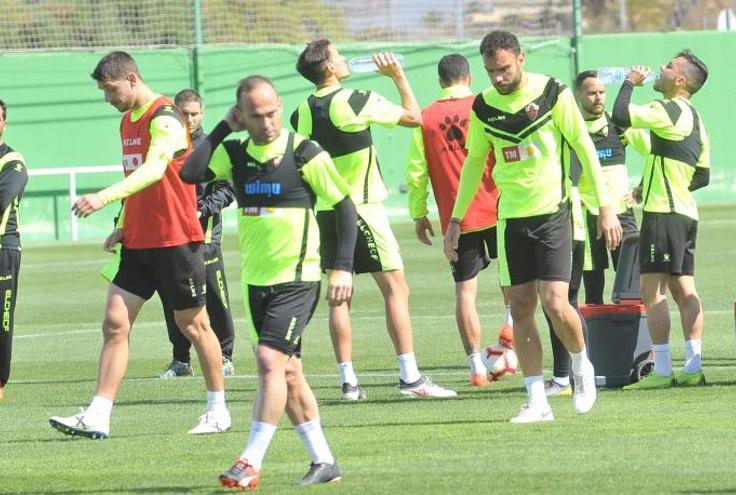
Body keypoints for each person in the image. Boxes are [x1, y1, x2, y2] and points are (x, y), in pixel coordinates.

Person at [443, 30, 622, 423]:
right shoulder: (483, 107)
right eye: (491, 71)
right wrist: (456, 219)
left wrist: (605, 206)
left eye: (504, 69)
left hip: (555, 213)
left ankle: (581, 365)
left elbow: (583, 147)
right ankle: (537, 400)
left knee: (557, 304)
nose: (498, 78)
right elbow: (475, 162)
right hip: (510, 219)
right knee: (521, 306)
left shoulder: (553, 92)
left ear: (521, 58)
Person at [49, 51, 230, 438]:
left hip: (176, 239)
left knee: (193, 325)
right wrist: (123, 224)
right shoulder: (126, 122)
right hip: (139, 241)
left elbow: (154, 169)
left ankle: (218, 410)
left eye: (111, 89)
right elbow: (137, 180)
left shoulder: (164, 115)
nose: (108, 98)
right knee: (115, 323)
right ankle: (98, 414)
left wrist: (104, 198)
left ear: (131, 78)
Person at [181, 75, 350, 488]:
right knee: (288, 373)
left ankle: (250, 459)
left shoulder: (304, 151)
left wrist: (341, 266)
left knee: (269, 363)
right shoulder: (235, 154)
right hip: (255, 283)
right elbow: (190, 171)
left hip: (298, 277)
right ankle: (324, 461)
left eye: (273, 112)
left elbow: (344, 204)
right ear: (243, 116)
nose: (269, 122)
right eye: (257, 116)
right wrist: (222, 127)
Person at [293, 39, 456, 400]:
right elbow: (415, 119)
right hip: (363, 209)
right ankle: (410, 379)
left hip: (325, 212)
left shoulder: (301, 111)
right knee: (396, 290)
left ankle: (348, 383)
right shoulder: (356, 99)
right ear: (330, 68)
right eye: (338, 56)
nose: (345, 59)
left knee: (339, 297)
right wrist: (398, 77)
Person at [406, 53, 512, 387]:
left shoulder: (424, 118)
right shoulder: (485, 105)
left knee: (465, 292)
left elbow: (416, 172)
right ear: (469, 77)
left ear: (440, 82)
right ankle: (507, 342)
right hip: (497, 207)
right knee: (515, 281)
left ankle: (476, 367)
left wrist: (418, 212)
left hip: (456, 217)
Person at [611, 50, 711, 390]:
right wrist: (651, 185)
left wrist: (629, 82)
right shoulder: (696, 117)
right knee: (684, 289)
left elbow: (621, 114)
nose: (661, 68)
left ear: (679, 80)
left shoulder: (665, 109)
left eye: (668, 66)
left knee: (650, 292)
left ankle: (664, 370)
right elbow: (703, 175)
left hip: (663, 214)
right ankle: (693, 367)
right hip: (684, 213)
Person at [544, 69, 648, 396]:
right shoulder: (569, 131)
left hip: (622, 216)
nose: (599, 98)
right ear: (578, 96)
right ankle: (591, 364)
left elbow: (657, 151)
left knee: (636, 287)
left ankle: (640, 357)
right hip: (586, 219)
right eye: (591, 93)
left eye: (602, 92)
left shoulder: (618, 127)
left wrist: (642, 188)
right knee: (590, 294)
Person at [155, 89, 237, 378]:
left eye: (194, 113)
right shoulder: (165, 144)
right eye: (184, 113)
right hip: (170, 238)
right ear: (175, 112)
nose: (189, 119)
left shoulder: (211, 146)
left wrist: (202, 209)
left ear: (202, 114)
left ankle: (225, 355)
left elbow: (227, 188)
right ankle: (180, 360)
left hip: (204, 238)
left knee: (215, 297)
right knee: (173, 299)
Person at [0, 98, 28, 401]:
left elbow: (1, 200)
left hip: (3, 251)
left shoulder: (12, 161)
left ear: (4, 123)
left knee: (1, 318)